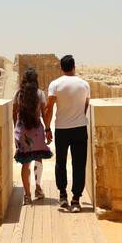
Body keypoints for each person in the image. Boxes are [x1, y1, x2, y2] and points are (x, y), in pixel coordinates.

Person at [44, 54, 91, 212]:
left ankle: (63, 195)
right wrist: (79, 117)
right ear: (74, 67)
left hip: (62, 129)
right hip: (80, 128)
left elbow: (49, 107)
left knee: (61, 162)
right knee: (79, 164)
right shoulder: (84, 84)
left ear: (61, 68)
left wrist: (47, 128)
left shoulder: (55, 84)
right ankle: (76, 199)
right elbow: (86, 105)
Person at [12, 67, 53, 205]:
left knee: (25, 163)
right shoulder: (40, 94)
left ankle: (27, 195)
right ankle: (38, 188)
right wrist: (47, 129)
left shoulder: (18, 94)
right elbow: (44, 112)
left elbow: (14, 114)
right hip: (36, 131)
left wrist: (16, 130)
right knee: (38, 159)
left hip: (23, 132)